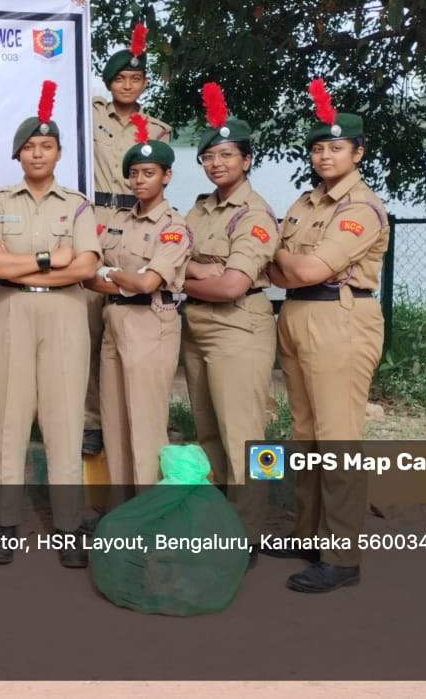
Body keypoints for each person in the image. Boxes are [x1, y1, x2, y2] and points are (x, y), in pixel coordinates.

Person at [266, 78, 388, 593]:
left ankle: (342, 557)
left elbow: (306, 268)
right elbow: (278, 270)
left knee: (337, 438)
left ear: (358, 152)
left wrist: (285, 261)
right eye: (318, 148)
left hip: (341, 318)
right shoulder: (305, 202)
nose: (324, 155)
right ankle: (307, 533)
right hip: (297, 315)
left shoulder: (360, 208)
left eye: (336, 147)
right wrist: (290, 265)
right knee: (305, 434)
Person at [0, 79, 100, 569]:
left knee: (64, 420)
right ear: (17, 155)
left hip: (65, 314)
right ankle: (4, 523)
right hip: (11, 311)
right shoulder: (0, 201)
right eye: (29, 147)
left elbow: (86, 266)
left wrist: (20, 265)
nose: (37, 154)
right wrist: (49, 259)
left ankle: (69, 525)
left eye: (46, 146)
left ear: (59, 153)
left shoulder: (77, 204)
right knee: (9, 418)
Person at [181, 83, 279, 567]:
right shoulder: (200, 207)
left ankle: (251, 533)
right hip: (197, 328)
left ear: (246, 160)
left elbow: (232, 287)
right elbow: (172, 255)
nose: (216, 163)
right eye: (208, 156)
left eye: (226, 155)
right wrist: (201, 271)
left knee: (247, 437)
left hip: (239, 328)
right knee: (209, 432)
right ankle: (222, 522)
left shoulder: (254, 214)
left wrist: (184, 277)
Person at [83, 115, 190, 490]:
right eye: (134, 174)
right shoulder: (118, 221)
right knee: (114, 423)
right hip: (114, 321)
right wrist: (121, 277)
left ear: (166, 176)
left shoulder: (173, 226)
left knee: (145, 425)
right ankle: (120, 509)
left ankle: (148, 511)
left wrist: (112, 274)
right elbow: (89, 276)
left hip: (151, 323)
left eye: (149, 173)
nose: (140, 180)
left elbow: (148, 282)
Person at [84, 23, 173, 457]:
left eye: (136, 78)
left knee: (131, 318)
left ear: (145, 83)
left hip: (137, 220)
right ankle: (91, 421)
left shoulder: (157, 129)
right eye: (120, 78)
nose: (127, 85)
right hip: (96, 216)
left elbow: (156, 177)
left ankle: (131, 416)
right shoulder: (92, 114)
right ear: (108, 82)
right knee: (90, 321)